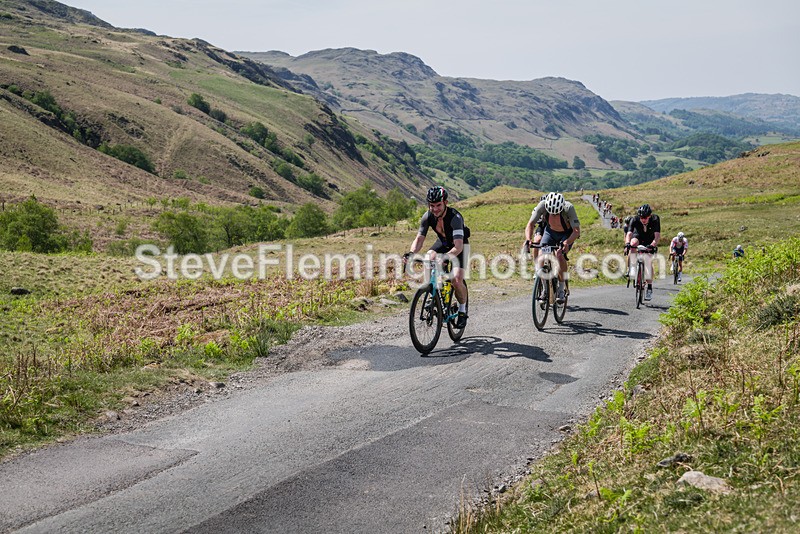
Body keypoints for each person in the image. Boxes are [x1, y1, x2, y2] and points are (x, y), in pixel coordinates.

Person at [404, 186, 470, 328]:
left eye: (438, 205)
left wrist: (446, 257)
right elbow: (420, 239)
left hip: (459, 246)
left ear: (445, 202)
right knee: (429, 257)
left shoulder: (455, 217)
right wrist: (411, 253)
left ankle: (462, 310)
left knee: (456, 280)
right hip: (443, 242)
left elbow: (458, 247)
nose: (435, 209)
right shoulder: (428, 216)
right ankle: (432, 291)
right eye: (432, 205)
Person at [523, 192, 580, 304]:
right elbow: (530, 224)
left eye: (556, 214)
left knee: (559, 255)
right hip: (550, 232)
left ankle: (561, 289)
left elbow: (576, 231)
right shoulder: (542, 205)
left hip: (566, 234)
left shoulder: (569, 208)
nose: (554, 216)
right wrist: (529, 239)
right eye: (551, 213)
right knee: (541, 255)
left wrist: (567, 242)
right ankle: (544, 289)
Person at [624, 204, 661, 301]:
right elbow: (629, 233)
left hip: (650, 239)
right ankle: (632, 267)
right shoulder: (635, 219)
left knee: (648, 261)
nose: (643, 219)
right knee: (633, 243)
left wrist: (653, 245)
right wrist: (627, 243)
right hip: (638, 236)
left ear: (649, 216)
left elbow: (657, 236)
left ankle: (649, 287)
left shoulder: (655, 219)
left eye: (645, 217)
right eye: (641, 217)